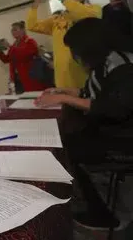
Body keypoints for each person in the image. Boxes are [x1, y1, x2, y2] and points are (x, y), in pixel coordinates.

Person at [36, 18, 133, 230]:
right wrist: (63, 92)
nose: (75, 56)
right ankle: (88, 201)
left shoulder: (123, 65)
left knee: (74, 147)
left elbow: (114, 108)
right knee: (69, 139)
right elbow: (92, 93)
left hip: (124, 137)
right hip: (113, 129)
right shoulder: (105, 63)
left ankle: (106, 214)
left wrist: (64, 99)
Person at [26, 0, 100, 89]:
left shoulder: (94, 9)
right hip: (62, 78)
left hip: (84, 76)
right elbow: (32, 25)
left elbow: (87, 17)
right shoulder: (58, 18)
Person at [0, 21, 49, 93]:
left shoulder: (30, 41)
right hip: (17, 78)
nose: (13, 32)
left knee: (32, 99)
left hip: (30, 78)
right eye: (12, 30)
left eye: (15, 29)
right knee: (20, 100)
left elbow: (23, 54)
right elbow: (7, 59)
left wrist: (9, 46)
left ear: (23, 30)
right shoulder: (14, 44)